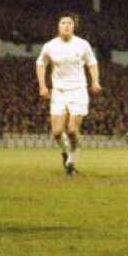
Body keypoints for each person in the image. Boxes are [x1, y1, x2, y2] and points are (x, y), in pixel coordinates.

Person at [35, 12, 101, 175]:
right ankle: (65, 151)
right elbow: (40, 64)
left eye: (69, 23)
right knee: (57, 132)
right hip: (58, 91)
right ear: (58, 27)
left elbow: (92, 63)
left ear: (74, 27)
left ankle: (71, 161)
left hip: (78, 90)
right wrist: (42, 86)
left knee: (72, 130)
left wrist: (95, 81)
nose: (66, 25)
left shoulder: (82, 44)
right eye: (63, 23)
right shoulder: (50, 46)